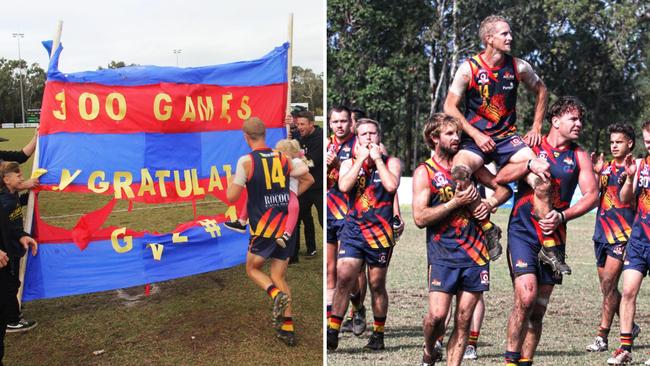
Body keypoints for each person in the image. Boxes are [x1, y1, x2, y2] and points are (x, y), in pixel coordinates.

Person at [443, 15, 568, 272]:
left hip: (508, 138)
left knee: (542, 180)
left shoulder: (519, 67)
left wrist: (535, 127)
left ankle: (549, 248)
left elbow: (541, 89)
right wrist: (476, 135)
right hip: (476, 139)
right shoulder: (468, 69)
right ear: (489, 39)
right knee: (459, 172)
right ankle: (489, 228)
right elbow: (449, 106)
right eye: (504, 34)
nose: (510, 38)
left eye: (510, 33)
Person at [499, 96, 598, 365]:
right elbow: (501, 176)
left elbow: (592, 195)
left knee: (538, 310)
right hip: (523, 232)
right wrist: (528, 165)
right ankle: (510, 360)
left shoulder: (579, 156)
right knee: (526, 297)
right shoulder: (531, 146)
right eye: (573, 118)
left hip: (556, 238)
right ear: (555, 121)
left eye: (580, 119)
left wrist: (562, 215)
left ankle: (525, 361)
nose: (579, 123)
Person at [413, 113, 511, 366]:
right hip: (442, 253)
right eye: (449, 133)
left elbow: (504, 189)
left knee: (464, 318)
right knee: (437, 316)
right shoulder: (425, 172)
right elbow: (420, 218)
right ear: (434, 138)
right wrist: (455, 203)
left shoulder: (471, 166)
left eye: (458, 133)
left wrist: (489, 203)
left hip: (476, 253)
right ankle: (428, 349)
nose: (457, 138)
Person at [327, 118, 401, 351]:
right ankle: (333, 331)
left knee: (376, 284)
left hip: (380, 234)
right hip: (353, 231)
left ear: (379, 137)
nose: (368, 137)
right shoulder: (349, 163)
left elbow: (391, 186)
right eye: (363, 134)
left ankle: (378, 334)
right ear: (356, 139)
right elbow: (344, 186)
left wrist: (377, 159)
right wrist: (360, 159)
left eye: (372, 133)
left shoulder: (392, 162)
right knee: (344, 277)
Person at [226, 117, 299, 346]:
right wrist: (294, 197)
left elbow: (232, 197)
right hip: (286, 226)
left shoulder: (246, 161)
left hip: (264, 228)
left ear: (246, 137)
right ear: (265, 134)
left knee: (252, 268)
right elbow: (306, 175)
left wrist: (231, 180)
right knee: (278, 275)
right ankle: (288, 328)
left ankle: (275, 295)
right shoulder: (284, 158)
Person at [586, 124, 639, 353]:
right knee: (607, 288)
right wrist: (597, 174)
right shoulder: (606, 168)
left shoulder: (635, 169)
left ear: (630, 143)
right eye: (612, 142)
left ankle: (602, 336)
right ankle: (631, 325)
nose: (614, 146)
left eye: (618, 142)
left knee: (608, 284)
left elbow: (633, 202)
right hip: (600, 234)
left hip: (622, 236)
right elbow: (598, 195)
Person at [606, 120, 650, 365]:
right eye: (647, 140)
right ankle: (624, 348)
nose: (649, 144)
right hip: (639, 240)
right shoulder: (641, 165)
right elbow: (624, 198)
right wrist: (629, 178)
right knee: (629, 291)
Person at [224, 139, 313, 249]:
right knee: (253, 193)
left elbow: (305, 169)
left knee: (294, 207)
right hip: (274, 191)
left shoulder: (295, 162)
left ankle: (286, 234)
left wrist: (287, 172)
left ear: (287, 153)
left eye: (279, 152)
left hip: (288, 192)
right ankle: (242, 221)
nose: (275, 154)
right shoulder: (276, 162)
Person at [325, 106, 356, 322]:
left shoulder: (357, 146)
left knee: (350, 271)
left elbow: (354, 183)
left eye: (343, 121)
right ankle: (330, 322)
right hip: (329, 210)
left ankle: (357, 308)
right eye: (335, 122)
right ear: (330, 123)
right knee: (330, 268)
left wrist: (337, 165)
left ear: (350, 123)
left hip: (350, 213)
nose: (339, 125)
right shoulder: (327, 145)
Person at [291, 110, 323, 261]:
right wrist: (288, 123)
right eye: (297, 124)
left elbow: (312, 162)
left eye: (302, 124)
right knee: (297, 218)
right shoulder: (297, 135)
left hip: (319, 187)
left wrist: (298, 159)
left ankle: (330, 251)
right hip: (303, 185)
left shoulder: (320, 138)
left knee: (324, 221)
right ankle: (293, 254)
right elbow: (289, 136)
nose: (299, 127)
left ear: (311, 124)